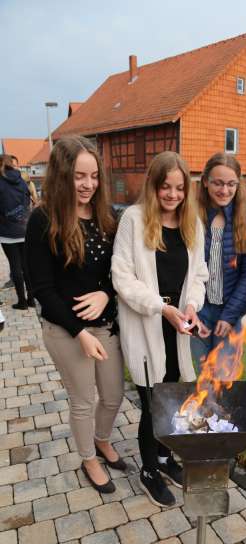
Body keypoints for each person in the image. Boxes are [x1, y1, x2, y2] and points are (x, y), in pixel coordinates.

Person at [25, 136, 125, 494]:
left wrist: (106, 292)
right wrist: (78, 331)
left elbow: (118, 273)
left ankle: (101, 439)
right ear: (62, 175)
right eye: (79, 176)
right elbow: (42, 290)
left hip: (105, 325)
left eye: (94, 176)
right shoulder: (42, 219)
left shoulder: (106, 216)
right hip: (66, 330)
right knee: (83, 399)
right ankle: (88, 457)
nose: (88, 184)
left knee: (113, 396)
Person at [112, 151, 208, 508]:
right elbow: (122, 277)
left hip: (177, 327)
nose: (172, 195)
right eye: (165, 187)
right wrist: (161, 307)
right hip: (148, 324)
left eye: (179, 188)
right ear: (153, 186)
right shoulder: (133, 220)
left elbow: (199, 274)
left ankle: (166, 459)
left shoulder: (192, 223)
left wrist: (191, 307)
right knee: (153, 404)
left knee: (176, 401)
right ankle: (149, 469)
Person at [191, 153, 246, 366]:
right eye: (218, 183)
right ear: (205, 182)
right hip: (198, 310)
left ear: (238, 184)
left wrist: (229, 315)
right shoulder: (192, 214)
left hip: (231, 311)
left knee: (223, 378)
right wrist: (192, 309)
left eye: (231, 184)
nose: (224, 190)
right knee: (199, 376)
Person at [0, 154, 33, 308]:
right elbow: (28, 201)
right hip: (24, 228)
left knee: (15, 266)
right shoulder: (21, 180)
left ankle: (22, 302)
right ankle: (32, 300)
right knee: (26, 265)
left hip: (7, 231)